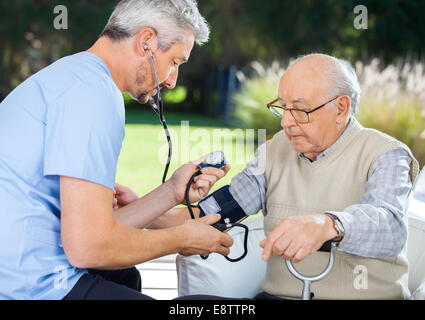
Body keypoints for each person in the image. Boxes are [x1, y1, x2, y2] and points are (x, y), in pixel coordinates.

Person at [0, 0, 233, 300]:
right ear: (146, 41)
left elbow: (94, 231)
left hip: (18, 267)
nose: (173, 80)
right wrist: (180, 238)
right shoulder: (94, 96)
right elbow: (88, 247)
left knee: (124, 275)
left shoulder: (75, 77)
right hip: (26, 285)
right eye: (175, 62)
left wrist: (173, 191)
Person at [156, 53, 420, 300]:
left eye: (300, 110)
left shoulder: (386, 154)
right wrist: (150, 215)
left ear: (341, 108)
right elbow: (220, 211)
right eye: (283, 108)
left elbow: (389, 226)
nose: (286, 122)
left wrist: (328, 224)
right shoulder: (274, 150)